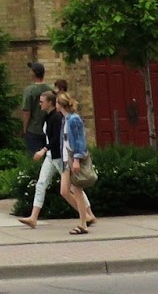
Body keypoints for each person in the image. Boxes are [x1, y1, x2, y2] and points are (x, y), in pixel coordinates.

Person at [17, 88, 64, 228]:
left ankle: (88, 213)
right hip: (50, 156)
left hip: (58, 156)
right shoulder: (47, 117)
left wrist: (44, 149)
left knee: (71, 186)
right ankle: (33, 217)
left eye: (42, 102)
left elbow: (57, 138)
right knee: (41, 183)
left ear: (50, 103)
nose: (40, 104)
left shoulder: (57, 118)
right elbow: (48, 136)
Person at [56, 91, 97, 234]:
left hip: (73, 159)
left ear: (60, 104)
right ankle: (86, 217)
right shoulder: (65, 120)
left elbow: (80, 140)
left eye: (57, 102)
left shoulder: (74, 119)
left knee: (77, 190)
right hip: (66, 160)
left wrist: (77, 159)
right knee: (64, 191)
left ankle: (83, 223)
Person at [20, 61, 54, 154]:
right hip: (48, 128)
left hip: (33, 130)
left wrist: (25, 128)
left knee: (34, 157)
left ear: (33, 73)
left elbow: (26, 111)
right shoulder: (50, 89)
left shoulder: (29, 90)